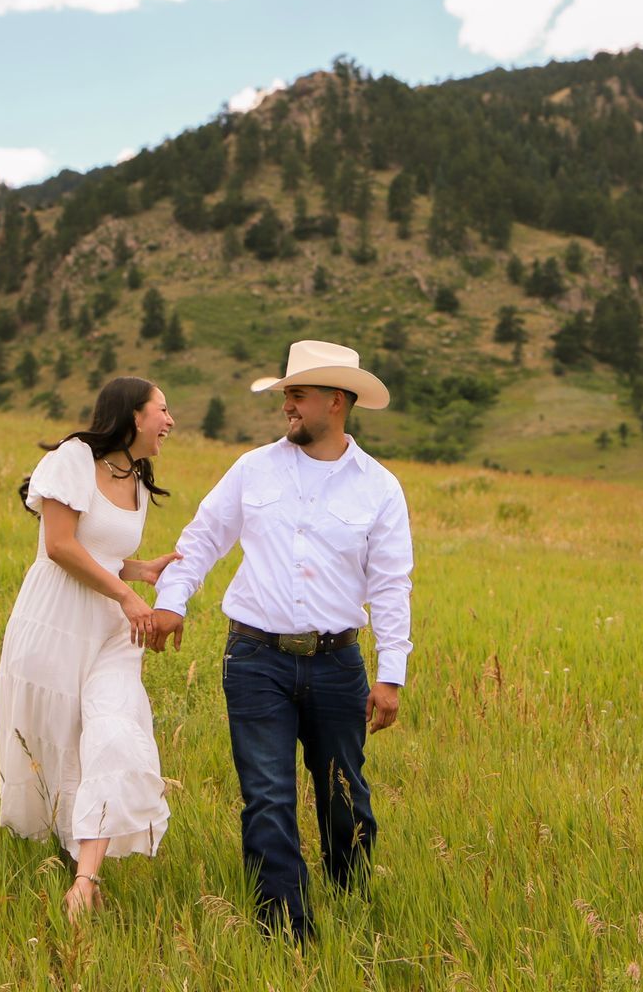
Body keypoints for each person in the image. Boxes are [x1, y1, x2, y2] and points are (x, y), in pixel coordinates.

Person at [147, 340, 414, 942]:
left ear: (338, 403)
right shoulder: (253, 468)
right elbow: (202, 540)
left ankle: (350, 899)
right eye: (286, 394)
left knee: (345, 796)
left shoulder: (380, 488)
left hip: (337, 661)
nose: (287, 406)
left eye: (297, 395)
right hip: (255, 659)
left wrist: (390, 674)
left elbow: (392, 584)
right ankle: (286, 932)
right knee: (267, 795)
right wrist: (170, 602)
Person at [0, 376, 181, 920]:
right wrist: (127, 592)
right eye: (162, 410)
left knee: (114, 732)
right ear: (133, 416)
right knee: (56, 743)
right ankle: (66, 859)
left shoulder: (140, 482)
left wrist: (139, 571)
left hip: (111, 634)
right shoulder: (72, 460)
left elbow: (102, 553)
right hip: (55, 620)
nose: (170, 422)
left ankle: (85, 878)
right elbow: (59, 546)